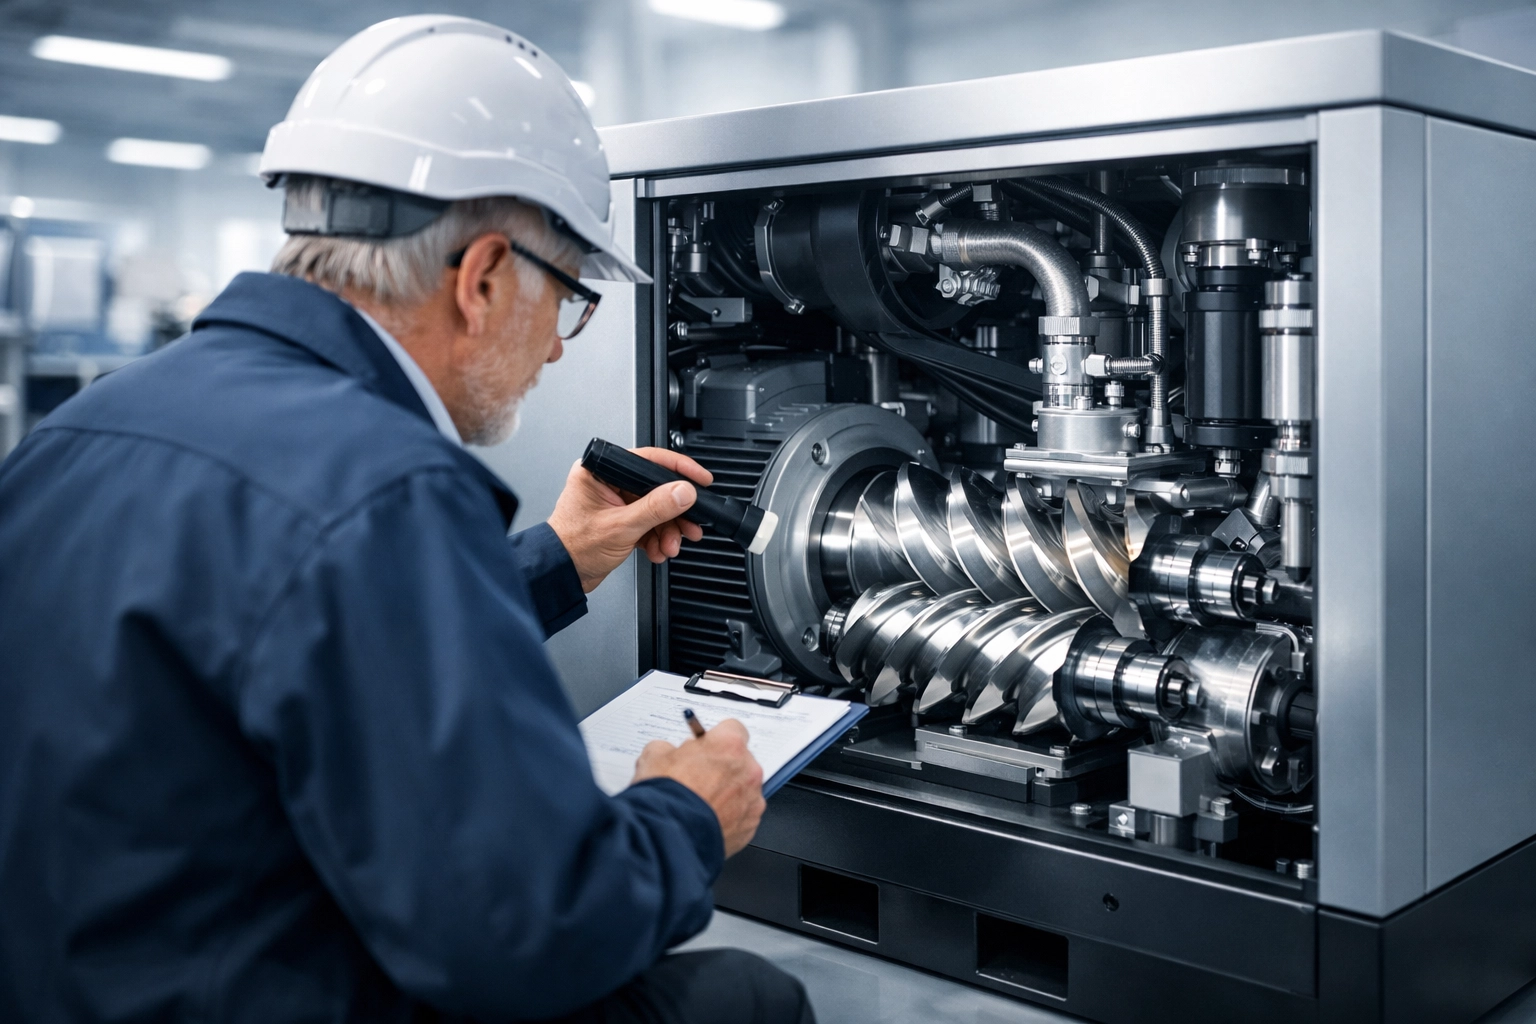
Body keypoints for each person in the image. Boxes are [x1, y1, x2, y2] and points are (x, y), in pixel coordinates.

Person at [0, 15, 814, 1024]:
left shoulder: (86, 430)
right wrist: (689, 813)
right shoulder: (386, 487)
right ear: (479, 281)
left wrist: (558, 561)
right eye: (567, 302)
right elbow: (529, 931)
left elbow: (283, 645)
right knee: (743, 997)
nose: (558, 351)